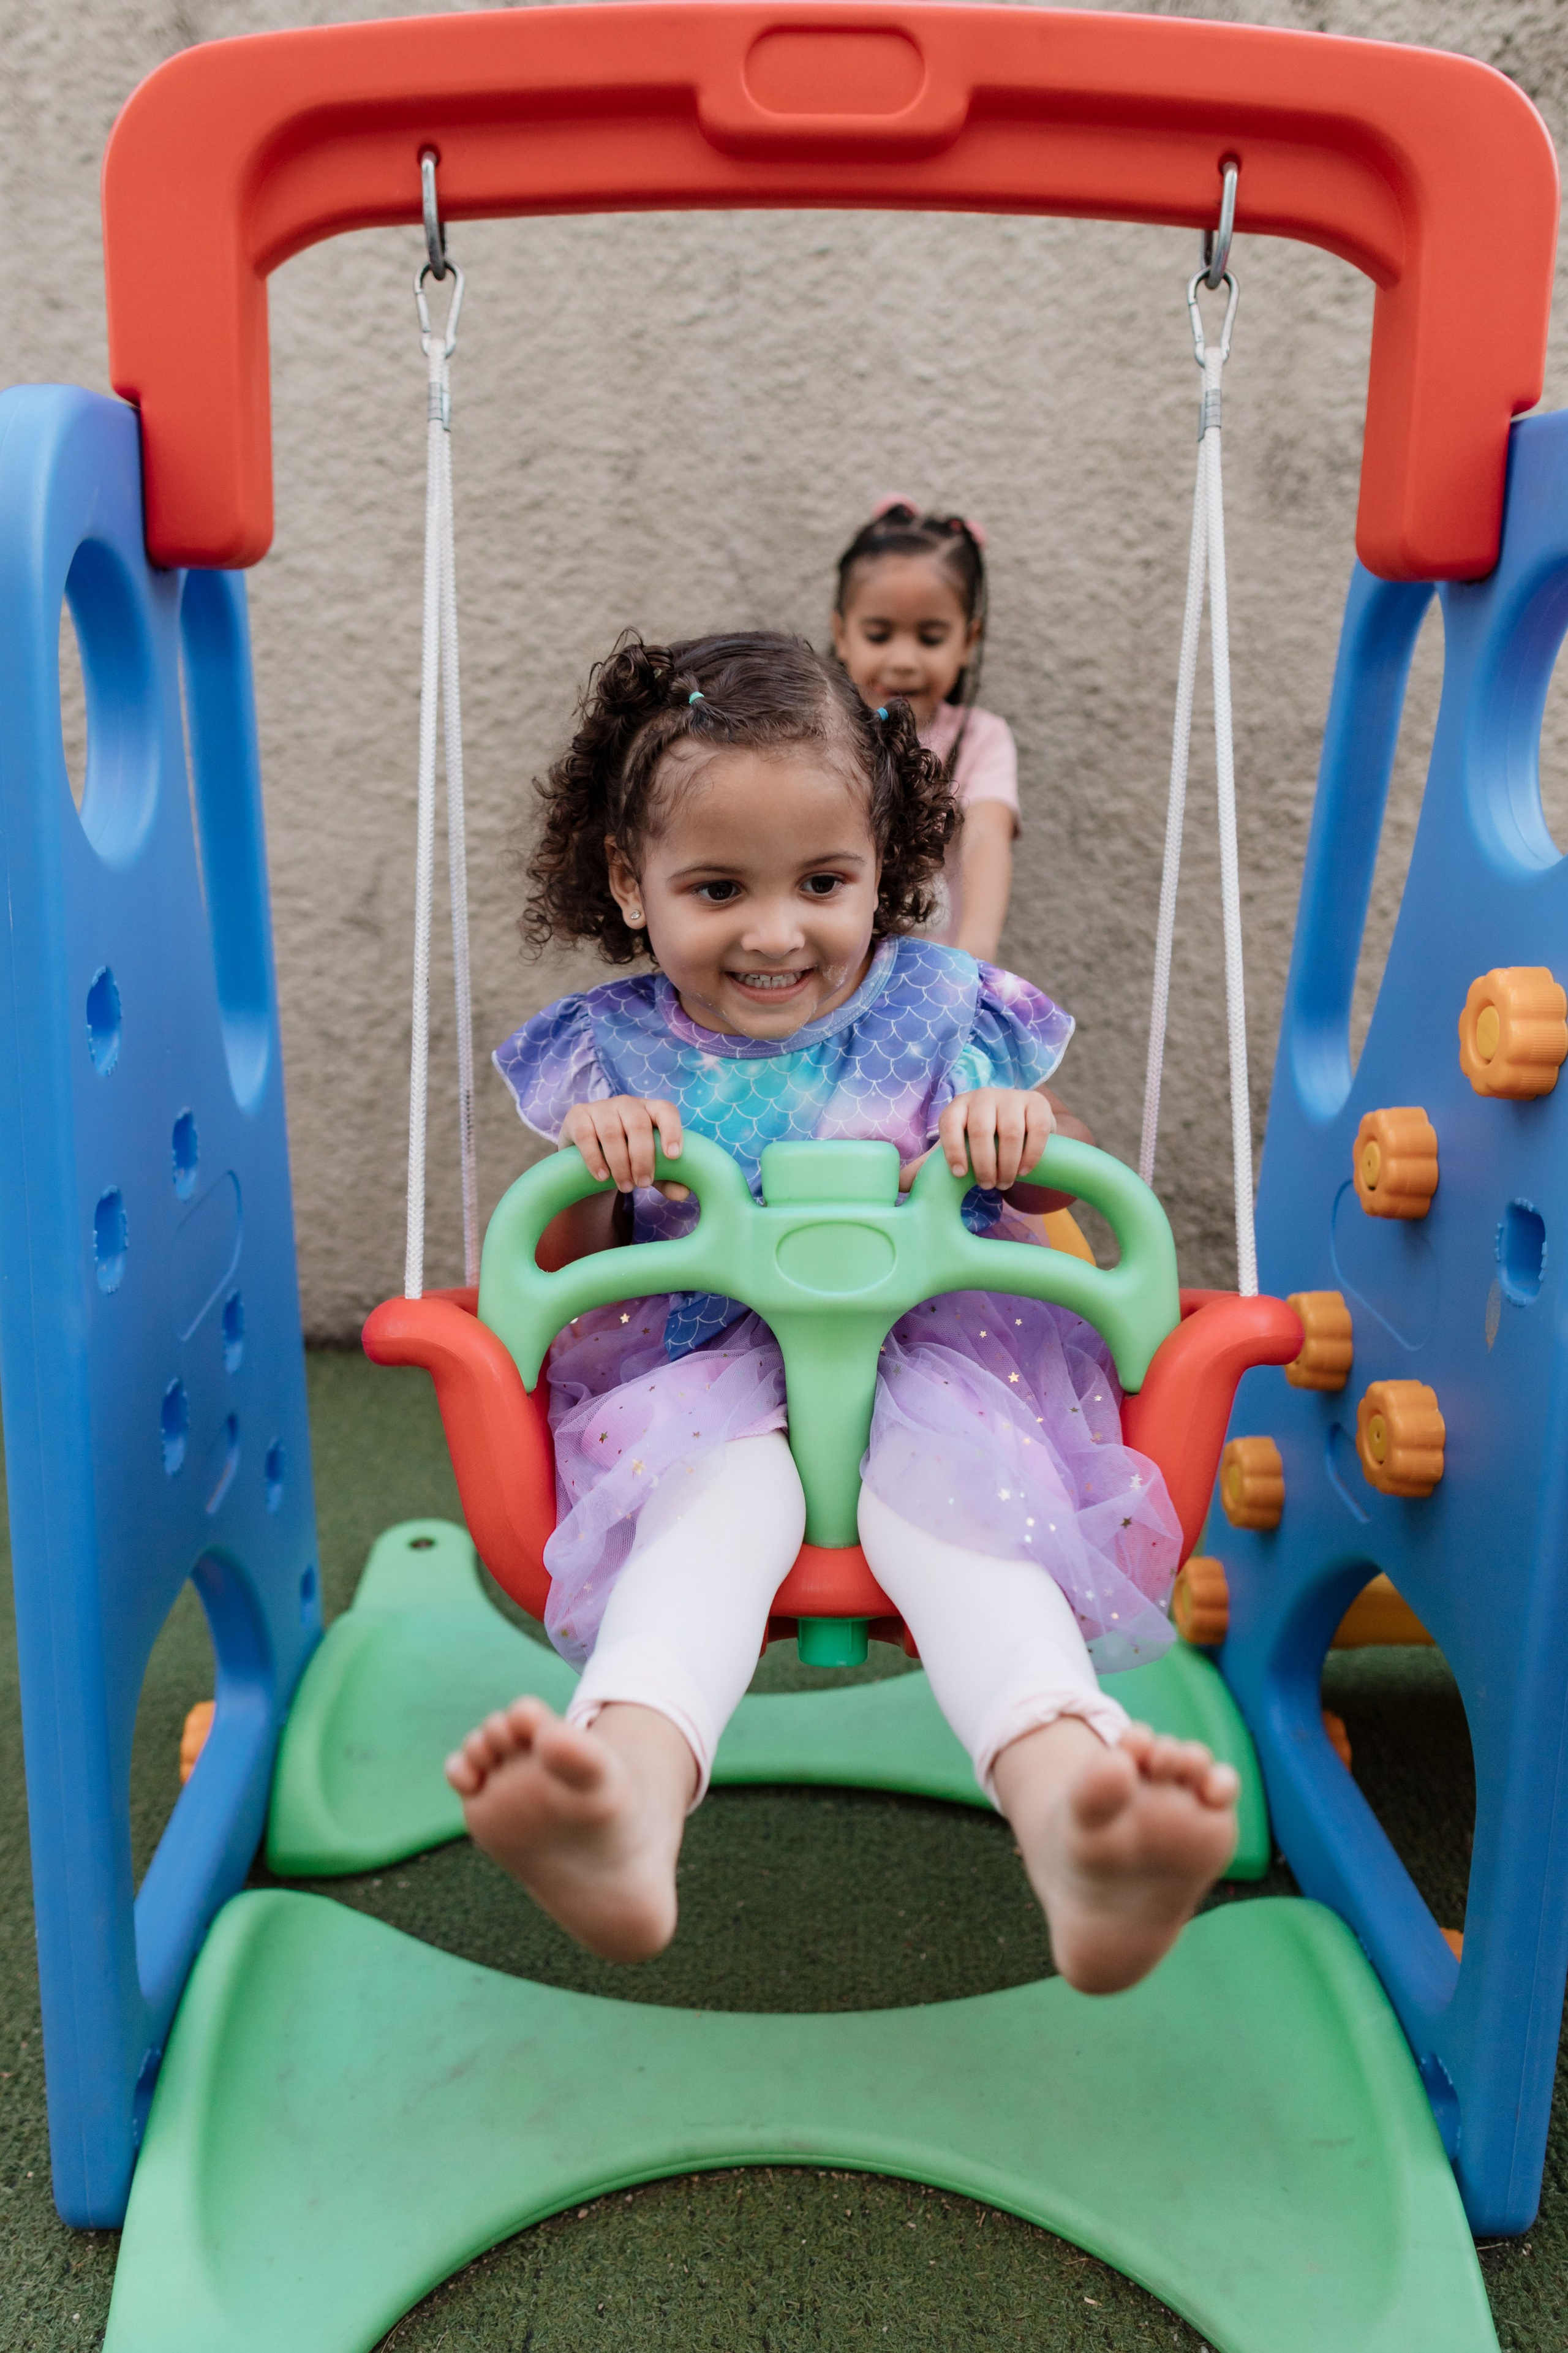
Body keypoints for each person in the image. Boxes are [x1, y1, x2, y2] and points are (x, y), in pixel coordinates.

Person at [448, 631, 1237, 1993]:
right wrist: (596, 1165)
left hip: (940, 1364)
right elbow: (558, 1274)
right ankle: (626, 1800)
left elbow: (1065, 1193)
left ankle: (1074, 1816)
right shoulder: (615, 1049)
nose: (776, 929)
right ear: (631, 886)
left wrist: (1015, 1128)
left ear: (887, 865)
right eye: (716, 887)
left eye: (824, 882)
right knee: (709, 1518)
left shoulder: (943, 1013)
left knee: (966, 1521)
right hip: (701, 1378)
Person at [831, 498, 1016, 960]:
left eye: (930, 638)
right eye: (879, 635)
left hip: (933, 986)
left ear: (968, 641)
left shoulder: (980, 740)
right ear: (842, 635)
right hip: (829, 976)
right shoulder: (818, 733)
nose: (904, 661)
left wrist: (976, 954)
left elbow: (986, 837)